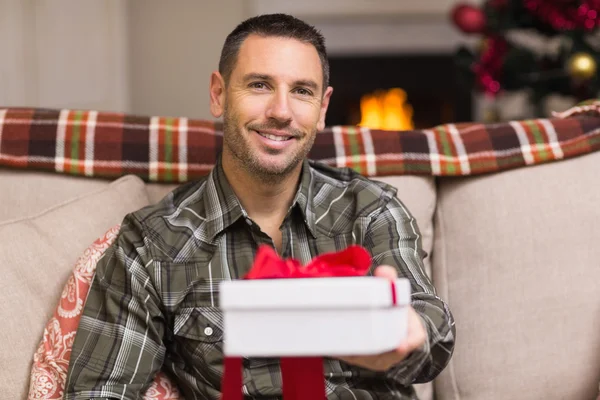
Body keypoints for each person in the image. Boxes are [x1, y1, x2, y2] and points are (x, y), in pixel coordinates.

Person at [65, 13, 455, 400]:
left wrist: (411, 333)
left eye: (302, 91)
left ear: (322, 108)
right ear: (218, 94)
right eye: (259, 85)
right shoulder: (151, 244)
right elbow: (100, 392)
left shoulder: (370, 209)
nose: (281, 111)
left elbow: (432, 331)